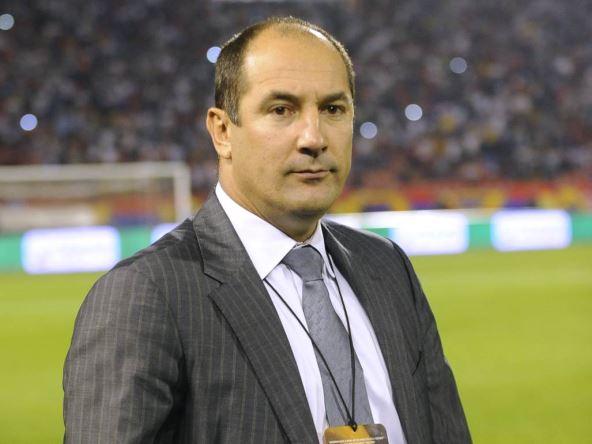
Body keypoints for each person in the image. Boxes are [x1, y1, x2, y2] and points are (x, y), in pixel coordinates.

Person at [63, 16, 471, 443]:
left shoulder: (388, 268)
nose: (313, 138)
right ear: (222, 131)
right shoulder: (146, 295)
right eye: (281, 110)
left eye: (333, 109)